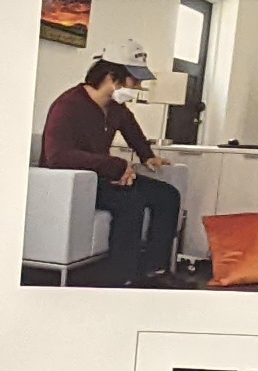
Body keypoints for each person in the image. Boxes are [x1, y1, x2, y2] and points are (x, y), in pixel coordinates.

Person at [40, 55, 182, 281]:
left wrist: (148, 156)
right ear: (111, 77)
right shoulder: (67, 105)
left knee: (167, 195)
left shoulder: (116, 107)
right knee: (130, 201)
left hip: (103, 177)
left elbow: (131, 129)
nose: (137, 87)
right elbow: (57, 156)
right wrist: (114, 166)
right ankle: (121, 278)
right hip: (72, 184)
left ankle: (154, 270)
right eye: (133, 81)